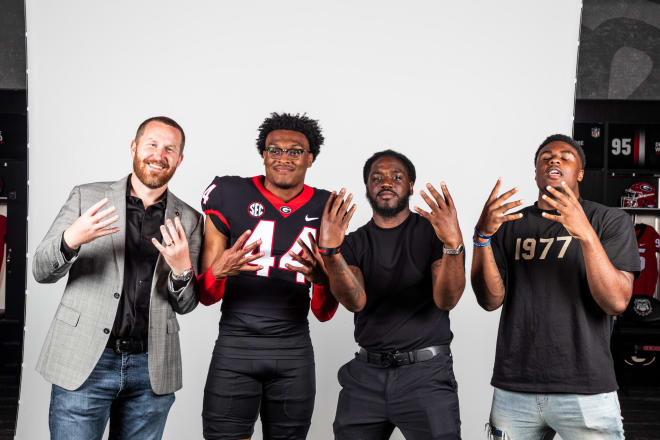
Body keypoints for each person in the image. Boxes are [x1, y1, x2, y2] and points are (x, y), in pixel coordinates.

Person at [33, 116, 203, 440]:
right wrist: (71, 238)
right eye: (152, 144)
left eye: (170, 148)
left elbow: (187, 304)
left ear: (180, 159)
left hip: (151, 368)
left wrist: (182, 269)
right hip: (85, 361)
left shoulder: (191, 220)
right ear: (134, 147)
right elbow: (41, 270)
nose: (159, 154)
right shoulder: (87, 197)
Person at [471, 134, 640, 439]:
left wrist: (585, 234)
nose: (554, 159)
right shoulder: (509, 223)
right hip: (515, 388)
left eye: (565, 155)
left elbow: (616, 302)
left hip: (586, 389)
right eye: (545, 156)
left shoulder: (609, 220)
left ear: (580, 173)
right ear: (536, 172)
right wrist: (482, 237)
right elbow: (489, 299)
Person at [198, 112, 338, 440]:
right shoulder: (229, 192)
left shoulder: (327, 205)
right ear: (263, 154)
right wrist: (219, 270)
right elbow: (206, 296)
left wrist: (322, 279)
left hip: (293, 347)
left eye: (295, 151)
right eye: (275, 149)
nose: (283, 158)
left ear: (310, 158)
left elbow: (325, 312)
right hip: (235, 343)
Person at [320, 149, 465, 439]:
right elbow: (354, 301)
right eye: (377, 178)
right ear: (367, 188)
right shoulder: (353, 242)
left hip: (426, 375)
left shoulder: (437, 234)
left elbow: (446, 300)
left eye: (396, 177)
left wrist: (452, 245)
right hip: (365, 376)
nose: (386, 182)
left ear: (410, 185)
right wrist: (332, 254)